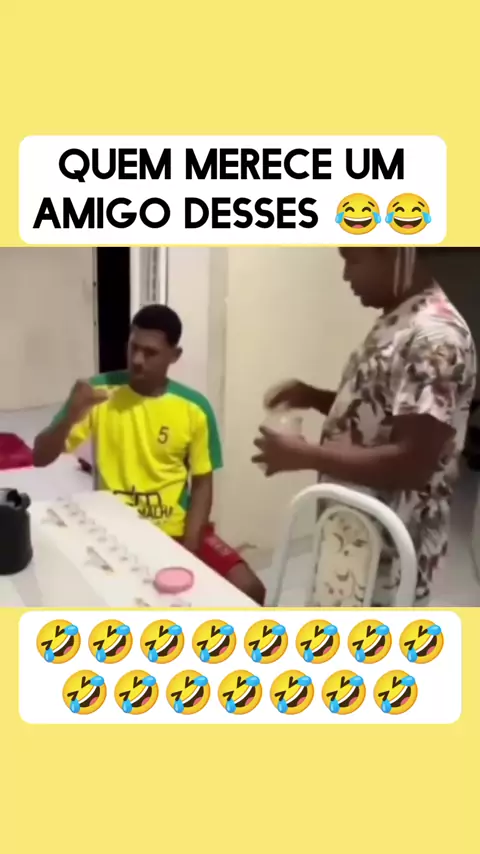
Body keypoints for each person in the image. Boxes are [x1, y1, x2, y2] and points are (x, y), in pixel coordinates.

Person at [253, 247, 477, 605]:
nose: (346, 276)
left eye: (353, 260)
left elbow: (412, 464)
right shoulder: (400, 319)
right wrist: (312, 396)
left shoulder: (435, 338)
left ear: (396, 255)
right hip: (355, 531)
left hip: (390, 546)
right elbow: (380, 413)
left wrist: (306, 455)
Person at [34, 304, 265, 605]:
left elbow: (202, 484)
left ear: (174, 355)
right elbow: (40, 457)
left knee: (250, 588)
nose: (137, 360)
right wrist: (71, 414)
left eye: (150, 352)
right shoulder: (97, 392)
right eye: (133, 347)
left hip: (175, 529)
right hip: (114, 528)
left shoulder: (194, 408)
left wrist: (189, 550)